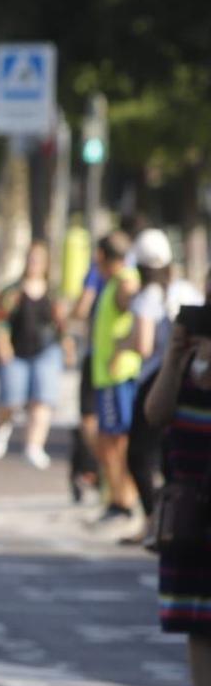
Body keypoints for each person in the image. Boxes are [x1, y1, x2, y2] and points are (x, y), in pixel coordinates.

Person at [143, 310, 211, 686]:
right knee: (198, 623)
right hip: (190, 508)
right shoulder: (187, 360)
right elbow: (155, 413)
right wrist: (173, 356)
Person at [124, 229, 203, 543]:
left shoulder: (149, 297)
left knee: (140, 456)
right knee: (175, 457)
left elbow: (143, 345)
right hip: (193, 380)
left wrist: (121, 342)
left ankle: (156, 520)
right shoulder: (186, 290)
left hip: (160, 378)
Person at [0, 238, 72, 470]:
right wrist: (2, 343)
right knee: (11, 398)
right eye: (31, 258)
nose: (34, 263)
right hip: (16, 350)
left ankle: (34, 445)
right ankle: (1, 428)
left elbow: (61, 324)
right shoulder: (13, 292)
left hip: (45, 351)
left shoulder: (52, 293)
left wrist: (67, 346)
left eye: (39, 259)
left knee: (43, 398)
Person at [88, 230, 144, 530]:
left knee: (116, 440)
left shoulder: (125, 281)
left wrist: (122, 346)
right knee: (108, 439)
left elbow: (139, 313)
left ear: (103, 257)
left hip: (117, 374)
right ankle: (118, 496)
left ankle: (123, 499)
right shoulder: (115, 281)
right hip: (108, 375)